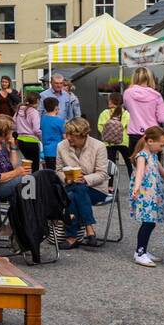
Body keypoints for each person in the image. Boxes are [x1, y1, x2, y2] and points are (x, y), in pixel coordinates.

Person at [55, 117, 109, 250]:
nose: (68, 138)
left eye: (71, 135)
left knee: (75, 192)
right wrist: (66, 179)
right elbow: (58, 170)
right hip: (70, 186)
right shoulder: (62, 146)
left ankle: (72, 237)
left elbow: (102, 174)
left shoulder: (98, 146)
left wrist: (85, 179)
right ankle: (89, 229)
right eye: (67, 134)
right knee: (73, 192)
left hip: (96, 188)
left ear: (82, 135)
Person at [129, 126, 164, 267]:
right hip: (145, 195)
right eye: (161, 145)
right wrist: (136, 188)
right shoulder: (142, 156)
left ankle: (143, 250)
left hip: (152, 194)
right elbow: (140, 173)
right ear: (151, 141)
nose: (162, 148)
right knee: (147, 223)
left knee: (151, 222)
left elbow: (162, 171)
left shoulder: (152, 155)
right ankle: (140, 252)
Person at [122, 67, 164, 155]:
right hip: (153, 135)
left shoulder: (127, 93)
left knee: (136, 163)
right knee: (152, 165)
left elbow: (128, 109)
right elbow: (162, 119)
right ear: (150, 78)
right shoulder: (156, 95)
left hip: (134, 135)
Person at [97, 90, 132, 177]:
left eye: (109, 100)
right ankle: (133, 185)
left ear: (112, 101)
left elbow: (100, 126)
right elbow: (129, 127)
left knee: (110, 165)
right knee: (129, 164)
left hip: (109, 143)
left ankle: (111, 187)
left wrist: (107, 135)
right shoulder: (126, 113)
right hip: (124, 142)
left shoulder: (105, 113)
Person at [14, 92, 42, 172]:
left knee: (26, 165)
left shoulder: (19, 109)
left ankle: (26, 180)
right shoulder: (34, 112)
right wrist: (41, 137)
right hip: (31, 141)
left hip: (20, 140)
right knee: (35, 166)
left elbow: (13, 124)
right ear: (37, 100)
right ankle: (34, 182)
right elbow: (36, 129)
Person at [40, 97, 65, 171]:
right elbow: (65, 136)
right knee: (57, 173)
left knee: (49, 173)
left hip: (45, 151)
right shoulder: (59, 121)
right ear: (56, 107)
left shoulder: (42, 119)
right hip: (56, 151)